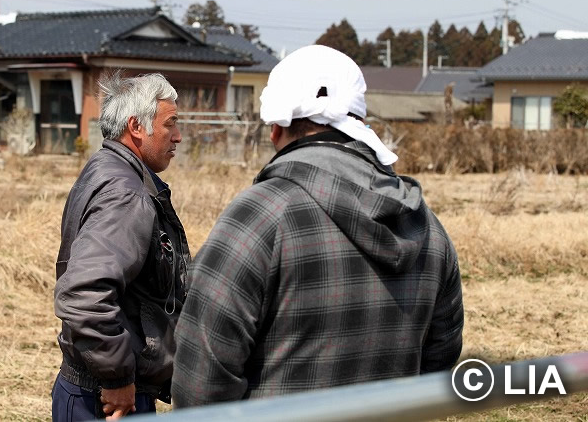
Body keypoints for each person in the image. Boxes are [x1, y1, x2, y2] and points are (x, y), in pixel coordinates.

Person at [172, 45, 463, 406]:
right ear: (360, 123)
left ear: (276, 128)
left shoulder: (259, 217)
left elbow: (202, 379)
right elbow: (439, 366)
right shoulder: (426, 226)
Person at [53, 71, 191, 420]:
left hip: (98, 388)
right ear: (136, 127)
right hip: (104, 398)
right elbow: (85, 294)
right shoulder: (125, 192)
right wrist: (116, 376)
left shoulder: (108, 168)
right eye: (170, 123)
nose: (178, 136)